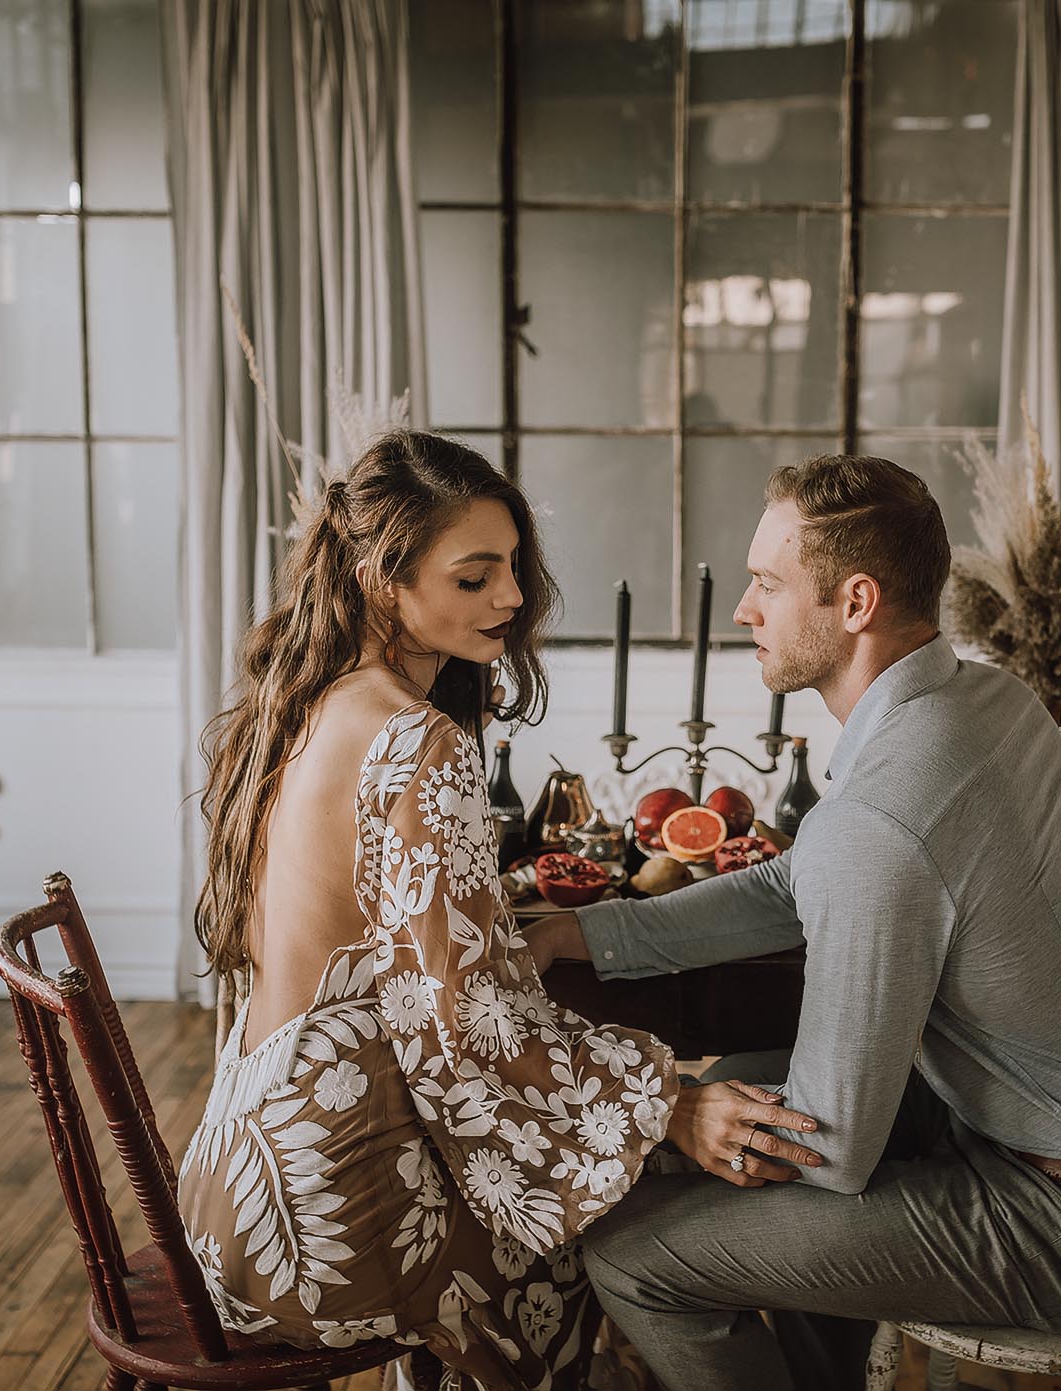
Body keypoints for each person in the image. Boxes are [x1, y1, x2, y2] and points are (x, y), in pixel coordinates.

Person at [528, 454, 1061, 1391]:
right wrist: (585, 933)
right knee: (743, 1085)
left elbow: (832, 1147)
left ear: (855, 602)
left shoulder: (886, 814)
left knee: (633, 1254)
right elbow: (792, 885)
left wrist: (658, 1120)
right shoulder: (989, 702)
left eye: (768, 584)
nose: (744, 609)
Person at [176, 431, 821, 1390]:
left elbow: (413, 984)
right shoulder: (414, 738)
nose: (513, 599)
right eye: (475, 577)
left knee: (559, 1183)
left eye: (513, 567)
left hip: (232, 1186)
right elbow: (466, 1027)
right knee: (591, 1231)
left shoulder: (302, 700)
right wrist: (672, 1106)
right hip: (324, 1221)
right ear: (377, 576)